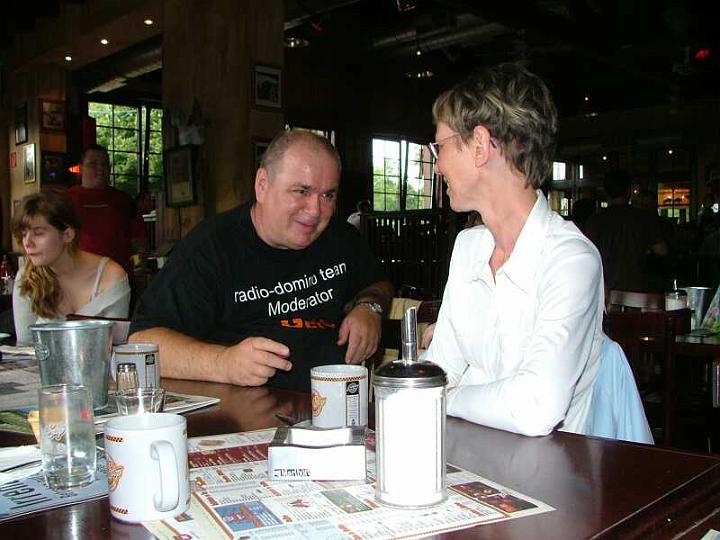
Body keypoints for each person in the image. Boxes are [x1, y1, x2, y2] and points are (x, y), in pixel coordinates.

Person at [129, 130, 393, 391]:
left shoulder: (341, 238)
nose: (315, 211)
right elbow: (141, 345)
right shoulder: (211, 247)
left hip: (337, 404)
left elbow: (378, 284)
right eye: (301, 191)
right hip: (243, 411)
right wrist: (224, 363)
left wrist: (370, 307)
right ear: (262, 185)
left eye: (328, 195)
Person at [425, 63, 604, 437]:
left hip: (547, 468)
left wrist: (443, 397)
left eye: (440, 146)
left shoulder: (570, 259)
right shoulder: (468, 247)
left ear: (479, 145)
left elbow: (536, 407)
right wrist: (431, 390)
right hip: (465, 455)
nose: (438, 165)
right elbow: (441, 368)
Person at [12, 191, 130, 345]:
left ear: (68, 235)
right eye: (23, 234)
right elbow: (25, 347)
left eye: (38, 233)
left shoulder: (111, 277)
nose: (27, 242)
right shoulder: (26, 277)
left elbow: (113, 346)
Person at [66, 145, 146, 274]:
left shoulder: (124, 200)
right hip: (78, 276)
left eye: (104, 164)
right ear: (80, 168)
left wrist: (138, 265)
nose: (100, 168)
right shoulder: (65, 200)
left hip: (119, 276)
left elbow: (138, 240)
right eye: (93, 164)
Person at [584, 170, 667, 292]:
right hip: (637, 288)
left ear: (606, 192)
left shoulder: (594, 221)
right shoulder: (644, 218)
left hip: (605, 289)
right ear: (629, 191)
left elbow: (587, 256)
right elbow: (661, 250)